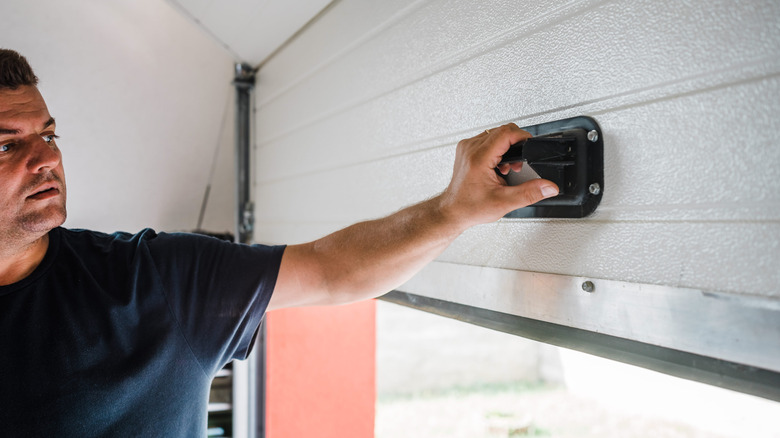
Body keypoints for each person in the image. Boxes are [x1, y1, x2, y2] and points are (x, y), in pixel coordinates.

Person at [0, 48, 559, 436]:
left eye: (48, 134)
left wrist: (450, 211)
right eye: (8, 146)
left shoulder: (150, 283)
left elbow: (331, 270)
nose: (48, 156)